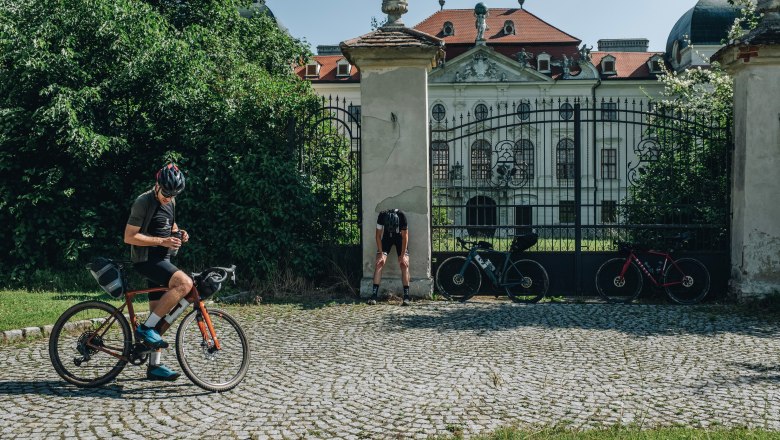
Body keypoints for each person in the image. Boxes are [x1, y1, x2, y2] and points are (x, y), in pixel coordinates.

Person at [123, 163, 191, 381]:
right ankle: (144, 329)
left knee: (158, 318)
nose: (167, 198)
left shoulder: (171, 201)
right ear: (157, 185)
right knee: (185, 284)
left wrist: (179, 233)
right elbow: (129, 236)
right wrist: (162, 240)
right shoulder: (143, 202)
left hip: (163, 259)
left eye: (172, 195)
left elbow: (169, 224)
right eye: (165, 193)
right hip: (146, 261)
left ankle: (154, 367)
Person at [368, 208, 411, 306]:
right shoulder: (382, 215)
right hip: (387, 238)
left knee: (404, 265)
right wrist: (380, 253)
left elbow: (405, 237)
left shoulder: (401, 216)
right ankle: (374, 295)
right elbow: (378, 236)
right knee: (379, 263)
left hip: (400, 239)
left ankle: (407, 297)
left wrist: (403, 255)